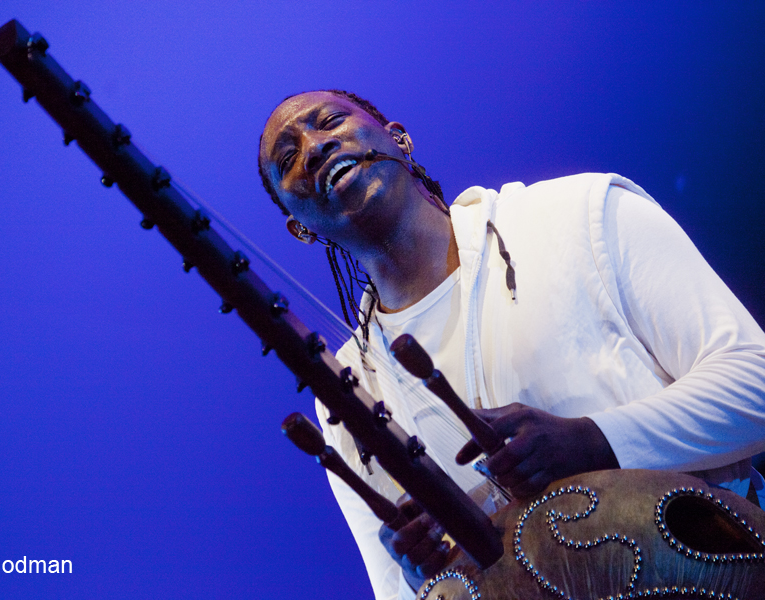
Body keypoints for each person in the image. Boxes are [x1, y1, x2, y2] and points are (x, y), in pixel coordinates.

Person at [257, 90, 765, 600]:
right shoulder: (344, 391)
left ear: (398, 138)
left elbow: (755, 382)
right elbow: (393, 592)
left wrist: (593, 440)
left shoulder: (579, 212)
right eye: (288, 158)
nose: (315, 148)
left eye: (329, 122)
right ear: (300, 229)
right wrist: (420, 573)